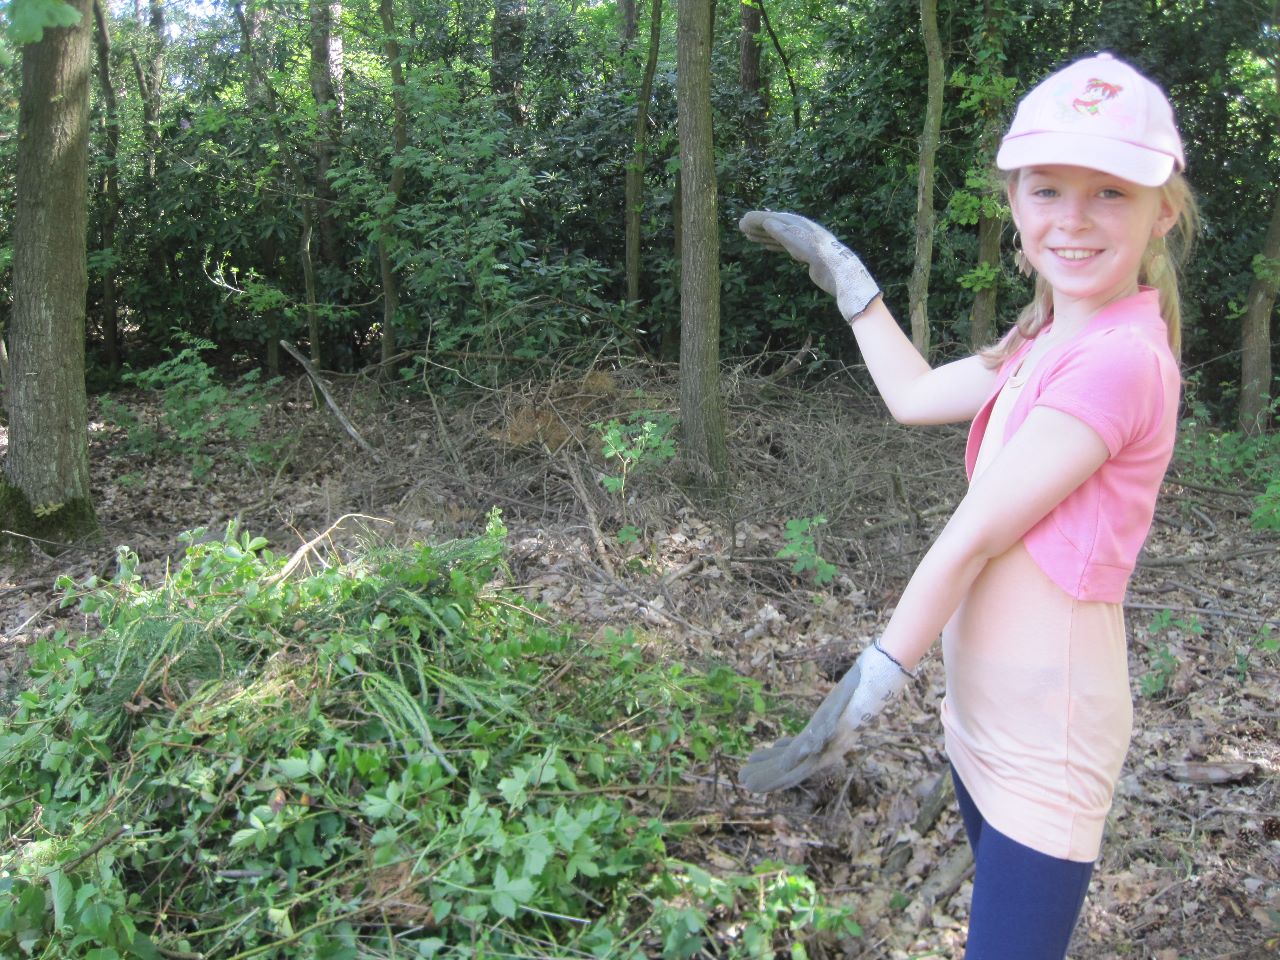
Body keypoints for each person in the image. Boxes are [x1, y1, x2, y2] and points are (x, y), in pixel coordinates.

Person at [736, 52, 1198, 959]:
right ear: (1015, 204)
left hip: (1045, 744)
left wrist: (862, 692)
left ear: (1162, 212)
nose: (1071, 219)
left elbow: (970, 538)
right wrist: (849, 279)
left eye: (1109, 192)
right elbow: (911, 396)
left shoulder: (1118, 361)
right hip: (978, 720)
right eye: (1046, 189)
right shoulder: (1046, 335)